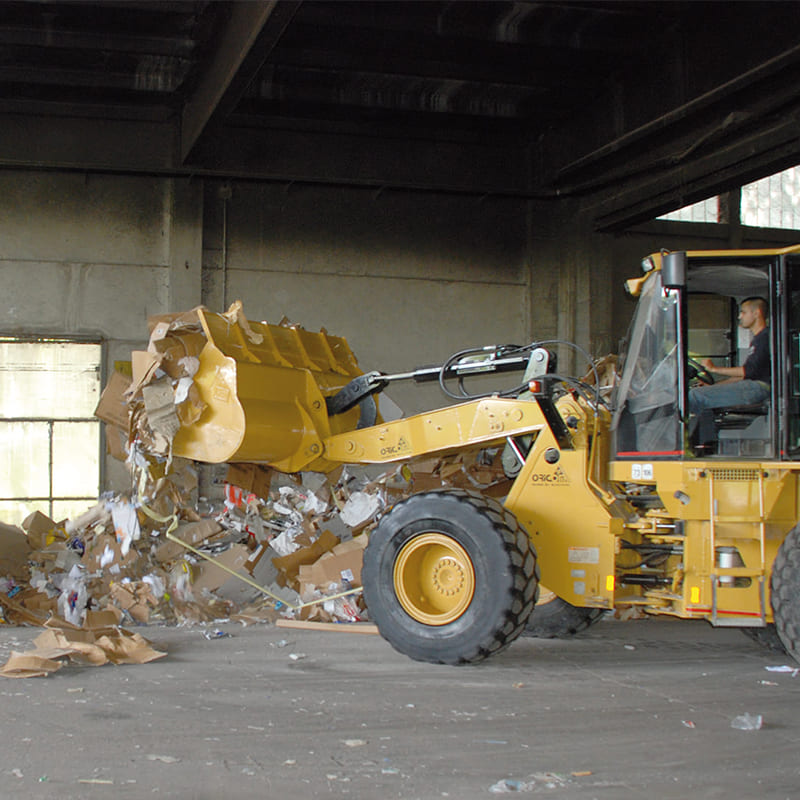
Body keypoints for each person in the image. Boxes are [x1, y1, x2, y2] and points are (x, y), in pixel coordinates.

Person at [688, 296, 770, 419]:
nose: (739, 317)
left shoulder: (765, 337)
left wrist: (715, 369)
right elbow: (744, 375)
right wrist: (714, 386)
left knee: (695, 396)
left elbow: (747, 371)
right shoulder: (758, 339)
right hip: (754, 386)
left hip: (759, 388)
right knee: (699, 395)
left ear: (756, 313)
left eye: (743, 312)